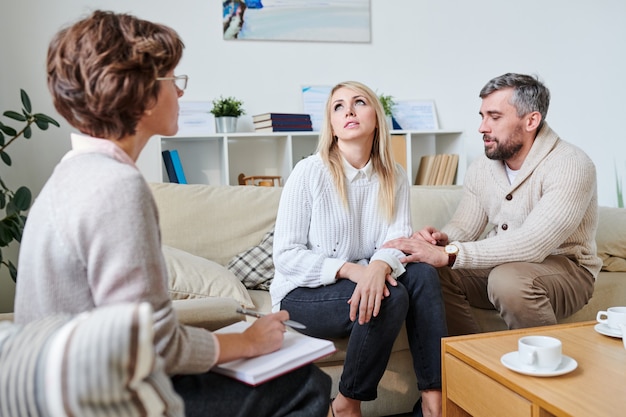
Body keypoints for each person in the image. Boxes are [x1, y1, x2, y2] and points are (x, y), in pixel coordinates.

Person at [13, 10, 331, 417]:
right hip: (96, 398)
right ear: (140, 93)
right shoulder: (117, 188)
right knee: (306, 385)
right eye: (173, 80)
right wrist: (248, 343)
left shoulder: (70, 174)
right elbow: (151, 343)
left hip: (58, 386)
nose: (180, 93)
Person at [270, 81, 447, 417]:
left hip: (365, 278)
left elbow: (396, 241)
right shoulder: (309, 172)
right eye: (338, 106)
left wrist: (378, 266)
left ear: (376, 118)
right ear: (333, 126)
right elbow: (286, 256)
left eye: (358, 102)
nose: (348, 111)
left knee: (422, 273)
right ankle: (346, 403)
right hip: (301, 293)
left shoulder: (394, 175)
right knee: (390, 296)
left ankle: (433, 400)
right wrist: (354, 270)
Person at [384, 73, 601, 336]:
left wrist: (451, 253)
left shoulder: (571, 164)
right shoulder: (482, 167)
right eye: (482, 116)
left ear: (531, 120)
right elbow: (466, 225)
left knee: (507, 281)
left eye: (495, 117)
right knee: (429, 272)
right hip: (501, 265)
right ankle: (471, 361)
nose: (482, 127)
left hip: (565, 269)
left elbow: (533, 242)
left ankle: (544, 369)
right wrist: (441, 241)